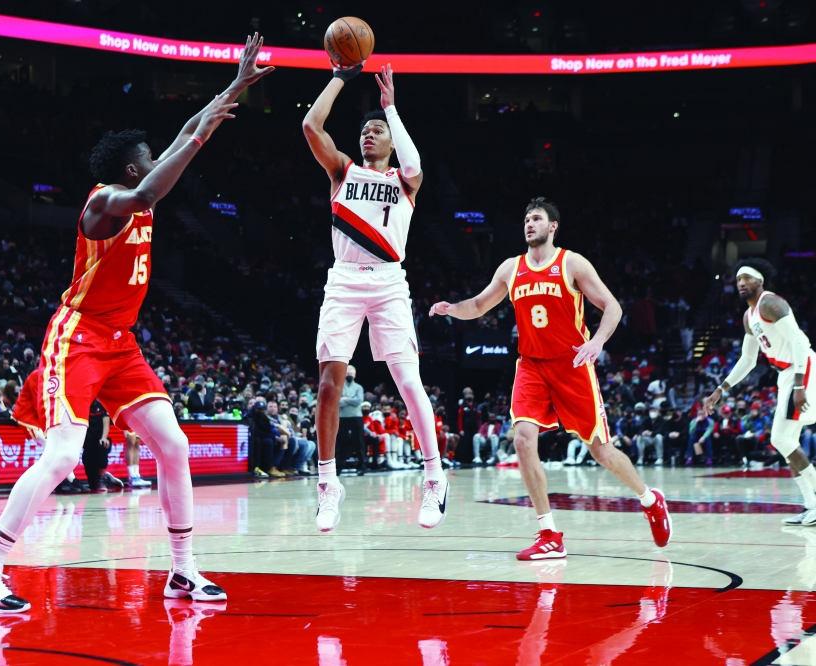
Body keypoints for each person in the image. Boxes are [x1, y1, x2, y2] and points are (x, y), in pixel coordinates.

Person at [0, 35, 272, 613]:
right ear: (131, 168)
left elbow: (178, 142)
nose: (158, 162)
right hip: (77, 336)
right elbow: (157, 180)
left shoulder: (138, 188)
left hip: (119, 344)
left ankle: (182, 572)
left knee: (174, 447)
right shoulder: (106, 203)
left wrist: (230, 90)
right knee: (60, 457)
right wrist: (200, 134)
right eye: (149, 157)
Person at [429, 197, 672, 560]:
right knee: (523, 439)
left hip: (571, 364)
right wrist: (452, 310)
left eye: (537, 218)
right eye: (526, 219)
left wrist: (598, 341)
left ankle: (650, 500)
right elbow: (479, 305)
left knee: (601, 450)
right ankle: (549, 534)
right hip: (531, 366)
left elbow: (613, 307)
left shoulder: (571, 262)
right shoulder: (511, 268)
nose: (529, 223)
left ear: (552, 226)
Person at [303, 60, 449, 532]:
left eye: (377, 131)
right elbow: (311, 124)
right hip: (344, 280)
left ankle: (434, 478)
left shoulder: (404, 183)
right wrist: (342, 78)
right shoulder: (342, 171)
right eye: (365, 130)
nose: (369, 134)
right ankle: (328, 486)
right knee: (329, 384)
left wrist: (391, 109)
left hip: (388, 282)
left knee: (409, 384)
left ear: (390, 139)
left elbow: (416, 165)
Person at [703, 258, 816, 527]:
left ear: (760, 281)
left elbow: (800, 342)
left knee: (780, 438)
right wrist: (721, 388)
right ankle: (811, 506)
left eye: (747, 278)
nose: (741, 283)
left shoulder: (770, 303)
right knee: (788, 444)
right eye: (738, 279)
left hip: (802, 368)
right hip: (785, 373)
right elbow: (747, 360)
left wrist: (800, 385)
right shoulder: (748, 316)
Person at [335, 365, 367, 476]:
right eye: (347, 373)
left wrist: (346, 399)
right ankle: (338, 467)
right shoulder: (339, 386)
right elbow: (337, 402)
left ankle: (362, 466)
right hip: (343, 417)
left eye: (351, 374)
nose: (349, 375)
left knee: (359, 442)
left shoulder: (359, 387)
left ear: (355, 375)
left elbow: (359, 401)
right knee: (341, 442)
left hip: (356, 417)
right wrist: (351, 400)